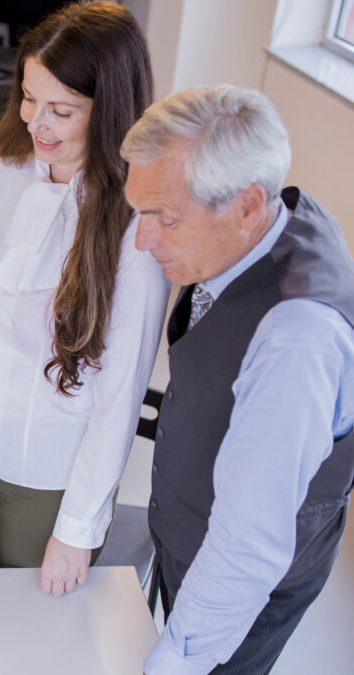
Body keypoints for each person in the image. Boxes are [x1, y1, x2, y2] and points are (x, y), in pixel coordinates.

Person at [0, 1, 169, 595]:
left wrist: (76, 529)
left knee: (34, 637)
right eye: (28, 97)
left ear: (110, 111)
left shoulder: (134, 227)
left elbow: (120, 395)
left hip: (50, 474)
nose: (35, 122)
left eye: (62, 110)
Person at [122, 85, 354, 674]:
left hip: (242, 594)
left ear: (249, 204)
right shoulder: (267, 223)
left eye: (164, 219)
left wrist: (175, 660)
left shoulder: (296, 339)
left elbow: (247, 543)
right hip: (195, 532)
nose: (143, 240)